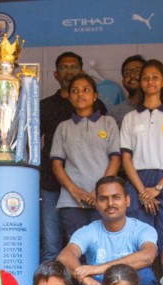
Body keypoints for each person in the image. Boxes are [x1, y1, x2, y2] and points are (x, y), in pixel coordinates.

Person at [39, 51, 107, 263]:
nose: (69, 72)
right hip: (52, 183)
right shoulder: (45, 106)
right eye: (64, 68)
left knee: (90, 246)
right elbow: (31, 142)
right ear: (56, 74)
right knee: (52, 242)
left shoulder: (99, 110)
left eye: (74, 67)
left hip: (86, 184)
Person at [57, 175, 158, 285]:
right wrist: (86, 279)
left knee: (146, 276)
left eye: (116, 197)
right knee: (74, 277)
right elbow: (64, 257)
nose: (110, 204)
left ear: (127, 200)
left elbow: (149, 255)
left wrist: (98, 269)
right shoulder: (88, 231)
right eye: (104, 199)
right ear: (97, 203)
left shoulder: (141, 229)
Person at [119, 59, 163, 248]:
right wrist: (143, 191)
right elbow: (126, 159)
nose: (150, 82)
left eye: (155, 77)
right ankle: (143, 278)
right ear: (141, 83)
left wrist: (157, 188)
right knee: (138, 238)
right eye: (146, 78)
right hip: (137, 182)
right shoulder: (130, 118)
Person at [51, 73, 121, 244]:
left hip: (104, 200)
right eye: (74, 91)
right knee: (78, 250)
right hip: (72, 202)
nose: (80, 94)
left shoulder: (108, 122)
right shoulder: (63, 127)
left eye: (85, 90)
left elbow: (115, 159)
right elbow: (56, 164)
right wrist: (74, 191)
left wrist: (98, 191)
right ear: (69, 97)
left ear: (95, 95)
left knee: (105, 246)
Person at [106, 55, 145, 124]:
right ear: (123, 82)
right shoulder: (113, 113)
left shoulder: (159, 110)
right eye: (127, 73)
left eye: (137, 71)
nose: (132, 75)